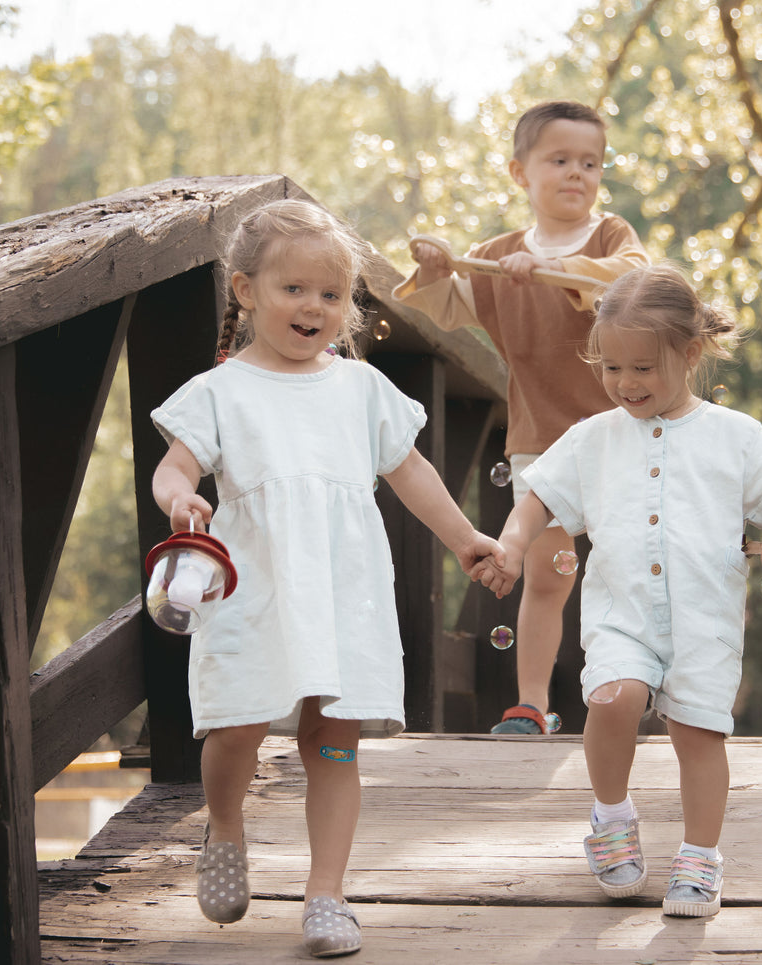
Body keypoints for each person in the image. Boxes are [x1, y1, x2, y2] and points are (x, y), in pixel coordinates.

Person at [151, 198, 504, 958]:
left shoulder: (360, 389)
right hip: (254, 587)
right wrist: (181, 496)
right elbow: (175, 464)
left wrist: (466, 537)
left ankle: (327, 893)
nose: (314, 307)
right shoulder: (220, 391)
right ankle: (225, 821)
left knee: (333, 738)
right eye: (293, 289)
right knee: (236, 725)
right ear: (245, 291)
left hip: (344, 592)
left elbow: (410, 472)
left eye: (331, 294)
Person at [472, 264, 762, 919]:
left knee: (697, 735)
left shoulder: (733, 435)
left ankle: (700, 857)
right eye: (611, 368)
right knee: (614, 696)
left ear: (688, 354)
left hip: (703, 621)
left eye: (642, 369)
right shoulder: (591, 439)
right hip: (620, 614)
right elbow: (536, 499)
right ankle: (610, 815)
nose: (624, 384)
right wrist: (512, 544)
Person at [394, 99, 650, 735]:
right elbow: (449, 308)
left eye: (589, 162)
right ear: (520, 173)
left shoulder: (610, 237)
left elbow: (634, 279)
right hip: (543, 440)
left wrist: (556, 269)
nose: (576, 174)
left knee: (635, 571)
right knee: (547, 576)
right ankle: (531, 704)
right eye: (559, 160)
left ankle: (646, 692)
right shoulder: (495, 254)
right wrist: (433, 271)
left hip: (623, 435)